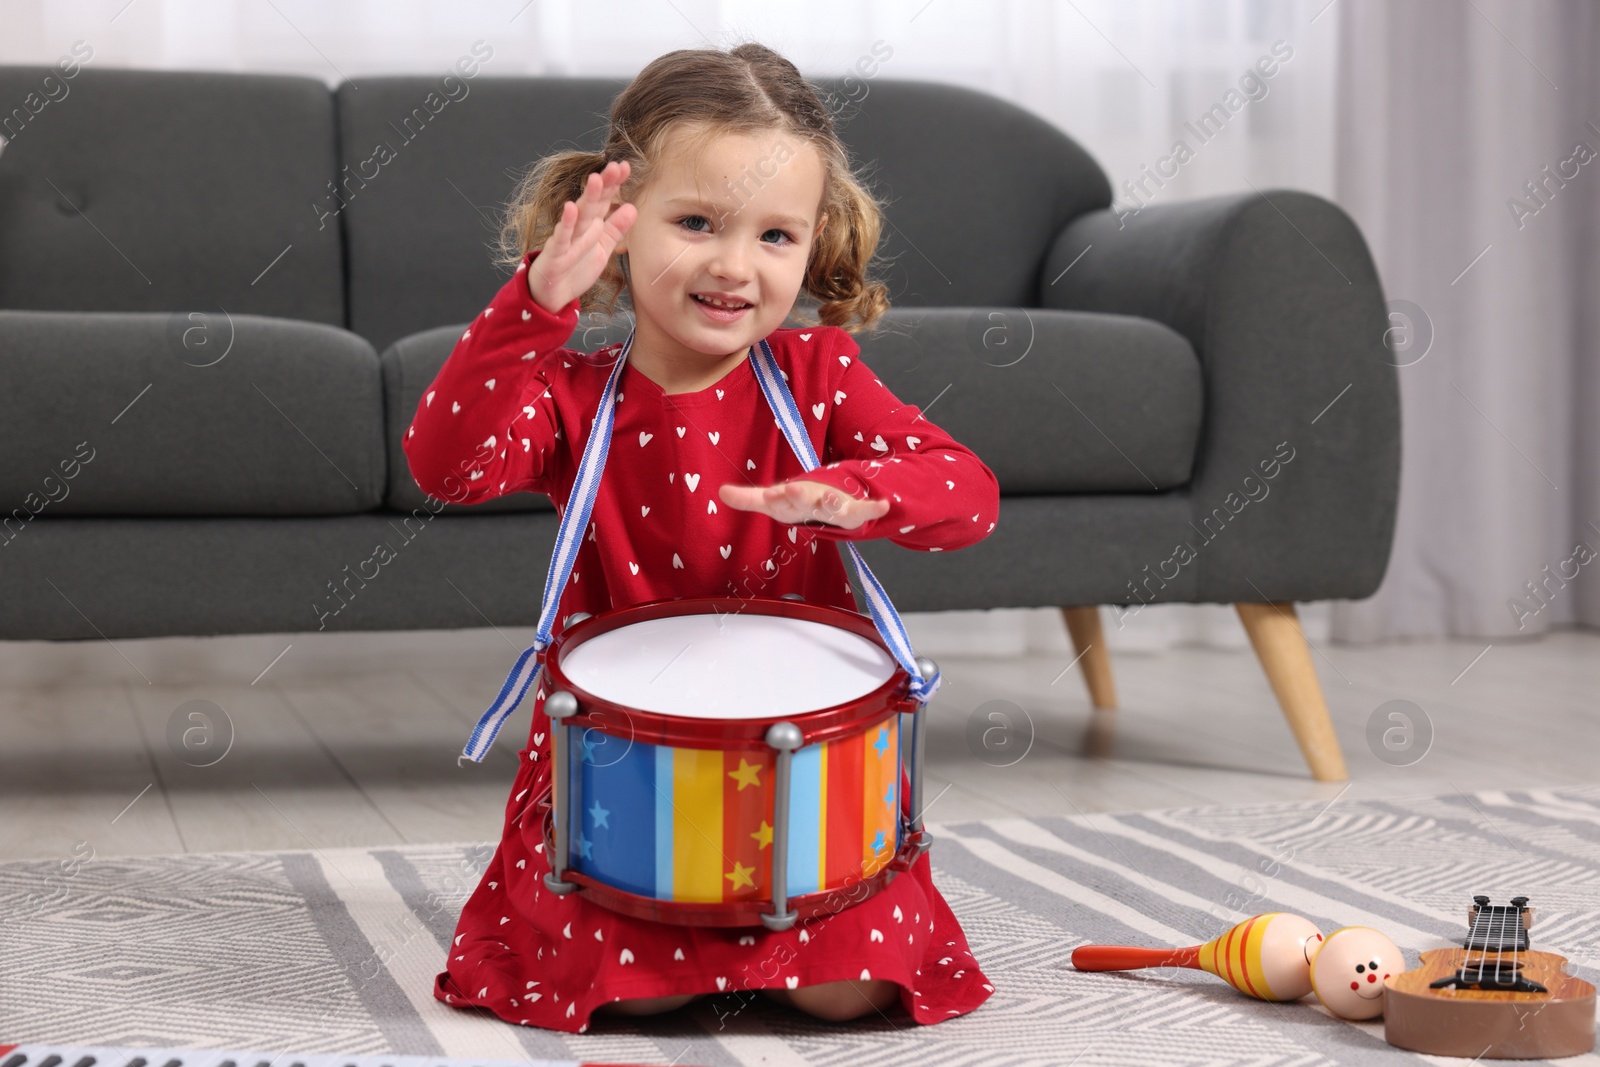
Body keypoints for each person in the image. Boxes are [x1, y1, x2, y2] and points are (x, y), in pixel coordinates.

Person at [403, 40, 999, 1035]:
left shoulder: (820, 375)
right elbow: (445, 463)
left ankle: (782, 941)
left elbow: (968, 494)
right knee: (650, 992)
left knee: (849, 995)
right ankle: (685, 945)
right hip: (633, 761)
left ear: (816, 243)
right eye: (695, 223)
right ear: (617, 229)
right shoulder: (570, 394)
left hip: (803, 768)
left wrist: (858, 491)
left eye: (775, 236)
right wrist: (535, 307)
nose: (734, 265)